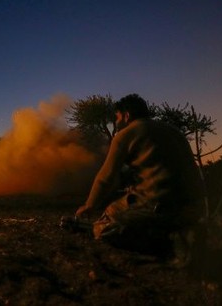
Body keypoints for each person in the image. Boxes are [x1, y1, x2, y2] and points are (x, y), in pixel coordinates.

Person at [74, 94, 205, 265]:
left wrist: (89, 205)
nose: (116, 121)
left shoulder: (125, 134)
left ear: (127, 115)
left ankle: (171, 244)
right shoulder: (174, 130)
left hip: (160, 205)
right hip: (195, 208)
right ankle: (185, 230)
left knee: (103, 228)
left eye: (117, 116)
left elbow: (106, 177)